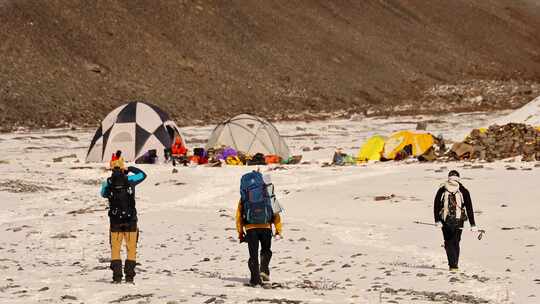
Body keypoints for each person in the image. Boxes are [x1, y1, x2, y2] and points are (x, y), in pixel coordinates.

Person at [100, 166, 147, 283]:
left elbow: (103, 194)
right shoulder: (130, 180)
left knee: (115, 249)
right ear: (123, 171)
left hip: (115, 222)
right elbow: (143, 174)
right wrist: (130, 168)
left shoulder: (108, 182)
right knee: (131, 249)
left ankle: (117, 277)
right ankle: (129, 277)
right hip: (131, 221)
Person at [236, 172, 282, 286]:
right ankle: (264, 270)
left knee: (253, 255)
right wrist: (278, 229)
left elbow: (238, 216)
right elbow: (276, 212)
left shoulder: (245, 197)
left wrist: (240, 233)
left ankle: (255, 279)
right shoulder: (268, 194)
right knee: (266, 250)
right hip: (266, 227)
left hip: (251, 229)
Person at [433, 170, 478, 271]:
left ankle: (452, 265)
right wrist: (473, 224)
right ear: (459, 178)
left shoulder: (442, 189)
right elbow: (469, 208)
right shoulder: (463, 190)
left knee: (448, 242)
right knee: (456, 242)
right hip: (459, 221)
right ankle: (454, 264)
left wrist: (437, 220)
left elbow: (436, 205)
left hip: (444, 220)